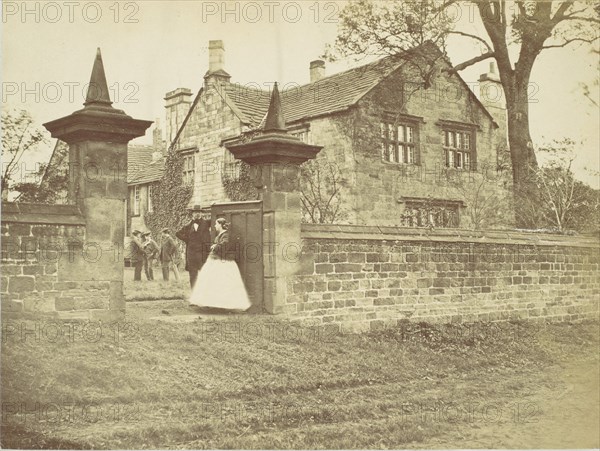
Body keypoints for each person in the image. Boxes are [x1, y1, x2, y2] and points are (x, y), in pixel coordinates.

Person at [188, 217, 251, 311]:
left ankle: (223, 304)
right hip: (216, 260)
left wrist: (216, 245)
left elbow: (225, 244)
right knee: (212, 282)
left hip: (222, 262)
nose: (215, 226)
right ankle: (213, 303)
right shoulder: (221, 234)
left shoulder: (225, 234)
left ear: (221, 225)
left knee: (222, 283)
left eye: (216, 224)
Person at [176, 206, 212, 288]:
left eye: (199, 212)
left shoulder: (206, 223)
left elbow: (216, 218)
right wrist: (187, 240)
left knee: (205, 272)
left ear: (202, 213)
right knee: (193, 274)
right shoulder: (188, 225)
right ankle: (194, 293)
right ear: (193, 214)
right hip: (191, 254)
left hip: (202, 253)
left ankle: (204, 291)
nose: (197, 214)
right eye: (195, 212)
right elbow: (177, 233)